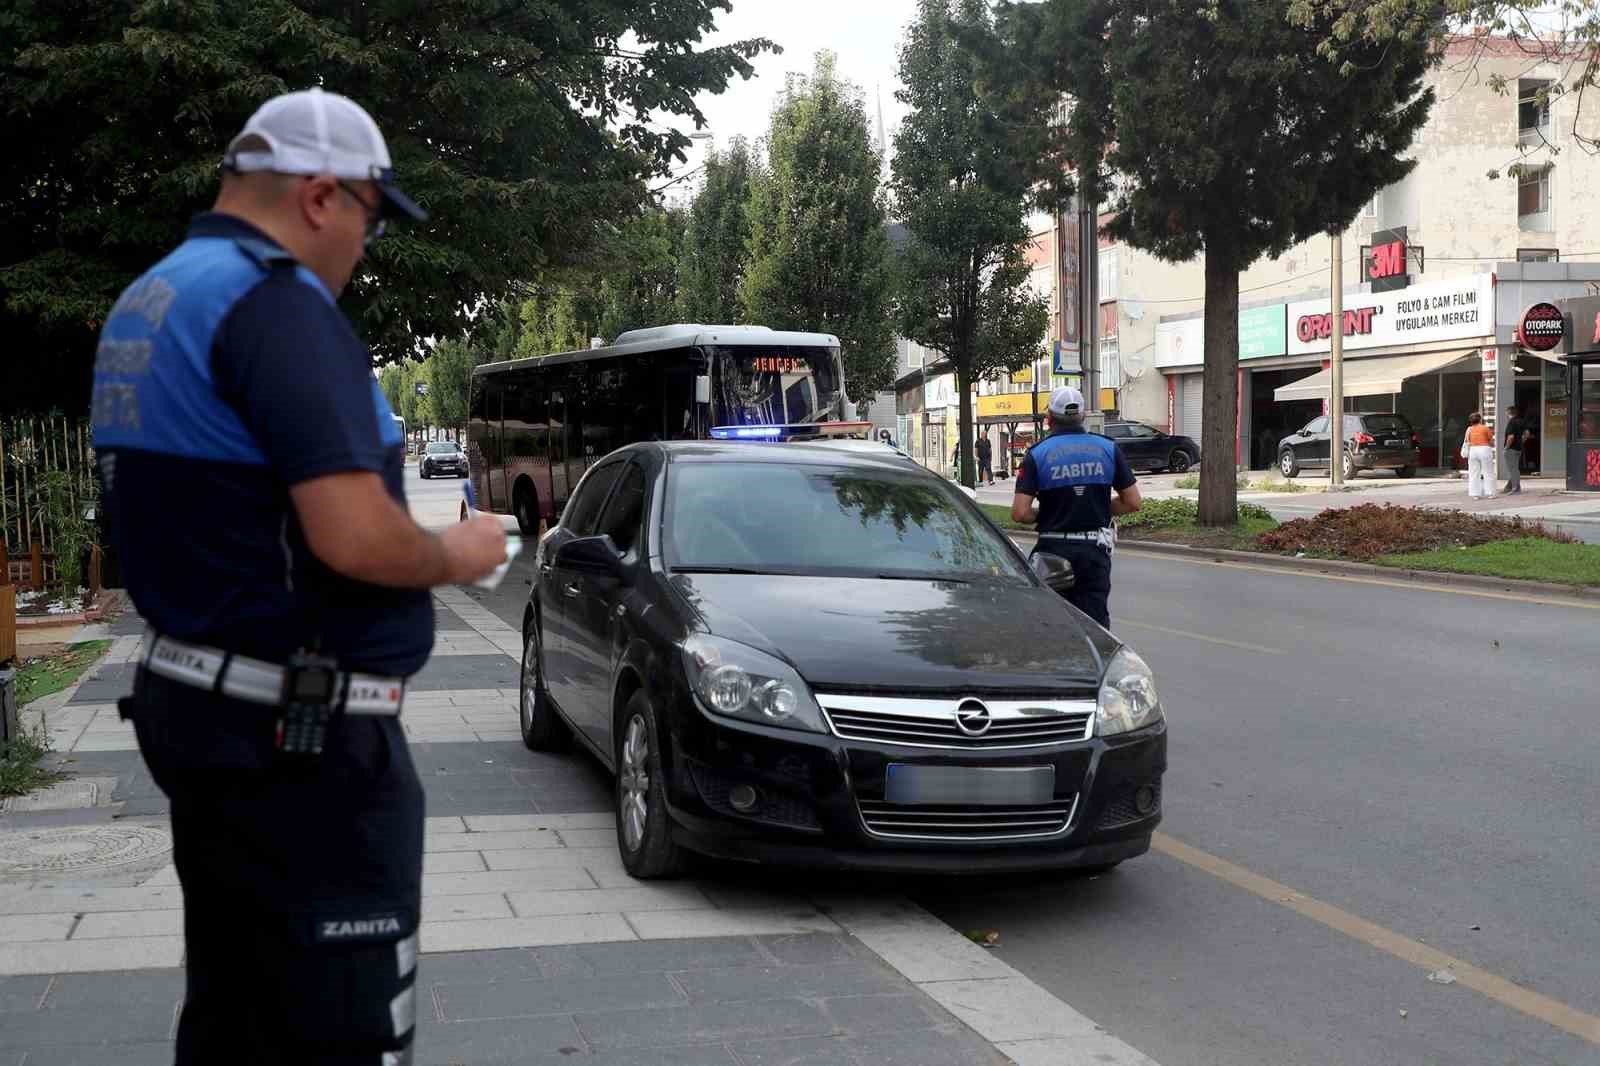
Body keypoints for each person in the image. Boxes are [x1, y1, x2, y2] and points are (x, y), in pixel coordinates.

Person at [90, 89, 508, 1065]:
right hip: (301, 744)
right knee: (341, 1030)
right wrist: (458, 552)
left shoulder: (153, 297)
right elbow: (354, 536)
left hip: (206, 711)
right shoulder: (274, 303)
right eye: (368, 216)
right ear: (321, 196)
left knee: (238, 1018)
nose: (364, 247)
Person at [1011, 387, 1142, 628]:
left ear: (1050, 417)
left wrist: (1048, 513)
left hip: (1053, 551)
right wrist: (1097, 507)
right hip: (1094, 550)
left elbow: (1020, 513)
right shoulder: (1108, 448)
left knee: (1053, 624)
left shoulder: (1037, 454)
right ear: (1082, 416)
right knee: (1095, 626)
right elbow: (1133, 502)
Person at [1463, 411, 1496, 499]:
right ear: (1480, 419)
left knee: (1474, 473)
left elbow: (1467, 441)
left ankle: (1475, 494)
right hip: (1484, 449)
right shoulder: (1485, 428)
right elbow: (1492, 442)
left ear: (1470, 421)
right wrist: (1491, 445)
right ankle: (1490, 493)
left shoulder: (1469, 429)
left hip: (1473, 450)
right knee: (1488, 472)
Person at [1502, 403, 1530, 494]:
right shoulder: (1521, 421)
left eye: (1506, 413)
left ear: (1508, 413)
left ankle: (1516, 488)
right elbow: (1527, 433)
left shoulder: (1511, 422)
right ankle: (1509, 487)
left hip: (1511, 449)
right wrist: (1521, 441)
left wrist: (1506, 447)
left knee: (1513, 469)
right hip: (1519, 448)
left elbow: (1510, 437)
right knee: (1514, 468)